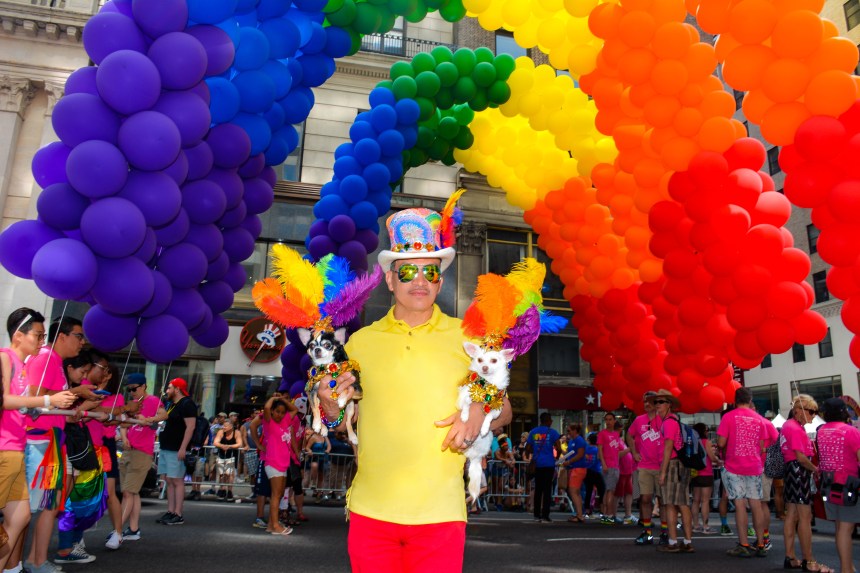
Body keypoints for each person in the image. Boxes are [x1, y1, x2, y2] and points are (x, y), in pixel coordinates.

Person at [316, 206, 512, 571]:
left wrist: (479, 413)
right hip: (371, 512)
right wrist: (330, 408)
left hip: (440, 514)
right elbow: (343, 422)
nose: (419, 281)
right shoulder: (359, 343)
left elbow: (506, 408)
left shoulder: (469, 339)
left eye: (430, 271)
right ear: (390, 280)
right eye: (407, 271)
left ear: (440, 280)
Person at [0, 309, 76, 573]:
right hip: (5, 449)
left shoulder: (23, 365)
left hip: (18, 448)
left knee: (20, 517)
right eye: (38, 335)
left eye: (44, 335)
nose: (42, 340)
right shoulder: (5, 358)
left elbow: (23, 405)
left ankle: (10, 568)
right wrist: (48, 401)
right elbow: (5, 400)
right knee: (21, 516)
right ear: (19, 335)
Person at [23, 317, 95, 573]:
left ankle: (34, 560)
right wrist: (77, 394)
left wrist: (71, 405)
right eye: (78, 335)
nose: (82, 341)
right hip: (40, 441)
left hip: (51, 441)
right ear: (62, 337)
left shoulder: (54, 360)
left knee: (48, 506)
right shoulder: (46, 357)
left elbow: (48, 401)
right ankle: (30, 562)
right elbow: (31, 398)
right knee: (35, 508)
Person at [717, 387, 775, 557]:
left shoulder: (728, 417)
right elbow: (764, 446)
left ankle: (743, 543)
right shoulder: (759, 419)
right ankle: (761, 543)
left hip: (734, 465)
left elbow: (721, 442)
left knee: (740, 504)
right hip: (754, 466)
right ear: (750, 401)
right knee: (756, 504)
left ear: (735, 401)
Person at [781, 395, 829, 572]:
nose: (814, 415)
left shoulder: (791, 426)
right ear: (799, 410)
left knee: (792, 514)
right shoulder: (794, 428)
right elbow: (801, 458)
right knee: (804, 516)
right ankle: (809, 560)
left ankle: (791, 556)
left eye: (815, 412)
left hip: (793, 471)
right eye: (811, 411)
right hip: (799, 472)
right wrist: (815, 469)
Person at [816, 397, 860, 573]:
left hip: (828, 483)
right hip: (848, 484)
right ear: (844, 412)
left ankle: (848, 565)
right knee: (846, 528)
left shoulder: (821, 431)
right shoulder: (851, 432)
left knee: (839, 527)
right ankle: (845, 569)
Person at [119, 373, 165, 539]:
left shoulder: (152, 400)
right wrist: (124, 438)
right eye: (129, 389)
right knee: (133, 492)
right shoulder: (131, 403)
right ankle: (133, 529)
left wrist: (149, 419)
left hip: (142, 451)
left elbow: (163, 415)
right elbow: (123, 423)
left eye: (134, 388)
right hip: (128, 451)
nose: (132, 392)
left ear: (144, 386)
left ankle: (117, 531)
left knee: (128, 492)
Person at [654, 389, 694, 553]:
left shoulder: (669, 422)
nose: (658, 405)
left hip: (673, 465)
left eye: (661, 402)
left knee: (671, 504)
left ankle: (674, 542)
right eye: (656, 402)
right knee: (680, 504)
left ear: (669, 405)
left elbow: (668, 447)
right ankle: (686, 541)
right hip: (678, 465)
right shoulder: (673, 420)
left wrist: (662, 472)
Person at [156, 378, 197, 526]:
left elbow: (190, 427)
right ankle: (171, 511)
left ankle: (178, 513)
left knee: (177, 480)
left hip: (176, 448)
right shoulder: (172, 404)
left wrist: (183, 448)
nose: (167, 391)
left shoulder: (187, 404)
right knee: (169, 480)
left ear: (177, 389)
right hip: (167, 447)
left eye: (169, 388)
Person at [256, 395, 299, 535]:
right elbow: (267, 407)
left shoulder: (286, 420)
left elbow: (294, 409)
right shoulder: (268, 422)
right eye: (277, 411)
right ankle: (275, 525)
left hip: (283, 464)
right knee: (276, 495)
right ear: (273, 412)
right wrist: (274, 399)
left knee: (279, 495)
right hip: (273, 463)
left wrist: (283, 400)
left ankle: (270, 524)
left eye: (282, 412)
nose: (280, 414)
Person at [627, 390, 664, 545]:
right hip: (644, 466)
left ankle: (665, 532)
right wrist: (634, 452)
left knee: (663, 500)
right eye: (644, 401)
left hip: (662, 467)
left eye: (650, 401)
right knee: (645, 499)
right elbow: (629, 435)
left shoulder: (664, 419)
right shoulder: (638, 420)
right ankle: (647, 532)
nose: (647, 404)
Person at [527, 412, 562, 523]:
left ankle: (536, 515)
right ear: (547, 421)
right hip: (549, 464)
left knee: (538, 489)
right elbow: (559, 447)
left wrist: (534, 453)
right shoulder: (553, 432)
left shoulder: (533, 432)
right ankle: (545, 515)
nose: (551, 422)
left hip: (538, 464)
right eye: (550, 420)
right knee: (547, 490)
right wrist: (556, 458)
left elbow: (528, 448)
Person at [690, 422, 719, 535]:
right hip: (706, 472)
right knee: (705, 501)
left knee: (695, 501)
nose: (707, 431)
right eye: (706, 429)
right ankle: (705, 526)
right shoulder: (706, 442)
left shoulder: (693, 442)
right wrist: (718, 460)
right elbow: (711, 457)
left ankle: (695, 525)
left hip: (695, 473)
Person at [597, 413, 623, 525]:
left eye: (610, 419)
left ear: (614, 421)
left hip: (615, 465)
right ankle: (608, 515)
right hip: (609, 465)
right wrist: (604, 464)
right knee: (610, 491)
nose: (608, 422)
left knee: (610, 490)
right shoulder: (602, 434)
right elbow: (600, 450)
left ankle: (607, 514)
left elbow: (617, 451)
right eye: (606, 420)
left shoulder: (616, 434)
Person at [560, 424, 586, 522]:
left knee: (573, 492)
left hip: (578, 468)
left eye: (569, 430)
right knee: (575, 492)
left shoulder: (579, 440)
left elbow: (580, 454)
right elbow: (569, 453)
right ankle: (579, 514)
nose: (568, 433)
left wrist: (569, 461)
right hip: (574, 468)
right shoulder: (572, 441)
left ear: (575, 430)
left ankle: (579, 515)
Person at [213, 419, 243, 501]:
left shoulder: (237, 432)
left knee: (230, 474)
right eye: (223, 425)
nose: (224, 427)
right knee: (222, 473)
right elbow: (215, 442)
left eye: (226, 426)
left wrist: (229, 446)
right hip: (221, 455)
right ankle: (222, 489)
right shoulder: (221, 432)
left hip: (232, 456)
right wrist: (222, 446)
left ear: (231, 426)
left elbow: (239, 443)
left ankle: (229, 491)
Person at [615, 423, 635, 525]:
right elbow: (616, 455)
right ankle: (613, 515)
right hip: (621, 471)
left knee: (629, 493)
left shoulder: (621, 441)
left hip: (627, 471)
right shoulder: (615, 441)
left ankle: (628, 515)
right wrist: (629, 449)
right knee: (618, 494)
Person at [582, 432, 605, 519]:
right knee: (602, 489)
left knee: (588, 491)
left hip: (586, 471)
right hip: (596, 471)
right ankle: (602, 510)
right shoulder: (597, 450)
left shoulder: (586, 449)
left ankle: (587, 511)